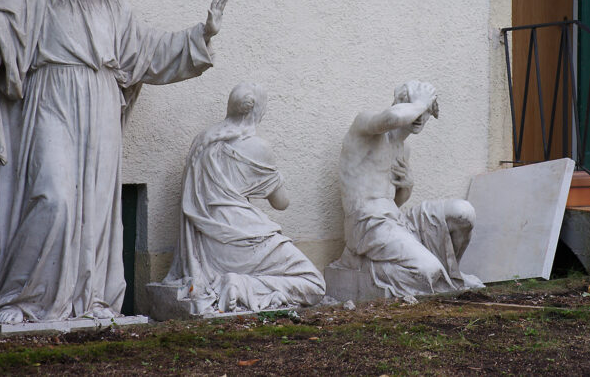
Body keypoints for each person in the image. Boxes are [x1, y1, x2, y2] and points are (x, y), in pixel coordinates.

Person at [0, 0, 227, 323]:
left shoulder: (113, 6)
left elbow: (150, 50)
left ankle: (89, 299)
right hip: (50, 100)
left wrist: (201, 35)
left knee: (95, 206)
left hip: (100, 105)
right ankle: (22, 298)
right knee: (53, 196)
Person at [162, 82, 325, 312]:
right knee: (314, 283)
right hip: (244, 240)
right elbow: (281, 203)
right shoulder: (258, 147)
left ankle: (237, 283)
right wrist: (277, 176)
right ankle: (242, 285)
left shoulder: (202, 142)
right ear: (257, 110)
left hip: (207, 247)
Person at [333, 80, 482, 301]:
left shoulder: (403, 149)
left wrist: (407, 187)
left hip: (397, 220)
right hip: (368, 224)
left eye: (427, 110)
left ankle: (453, 274)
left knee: (463, 212)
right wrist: (421, 102)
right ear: (400, 104)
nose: (421, 116)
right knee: (428, 271)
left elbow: (394, 202)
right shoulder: (365, 126)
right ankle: (375, 271)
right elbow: (393, 118)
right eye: (415, 107)